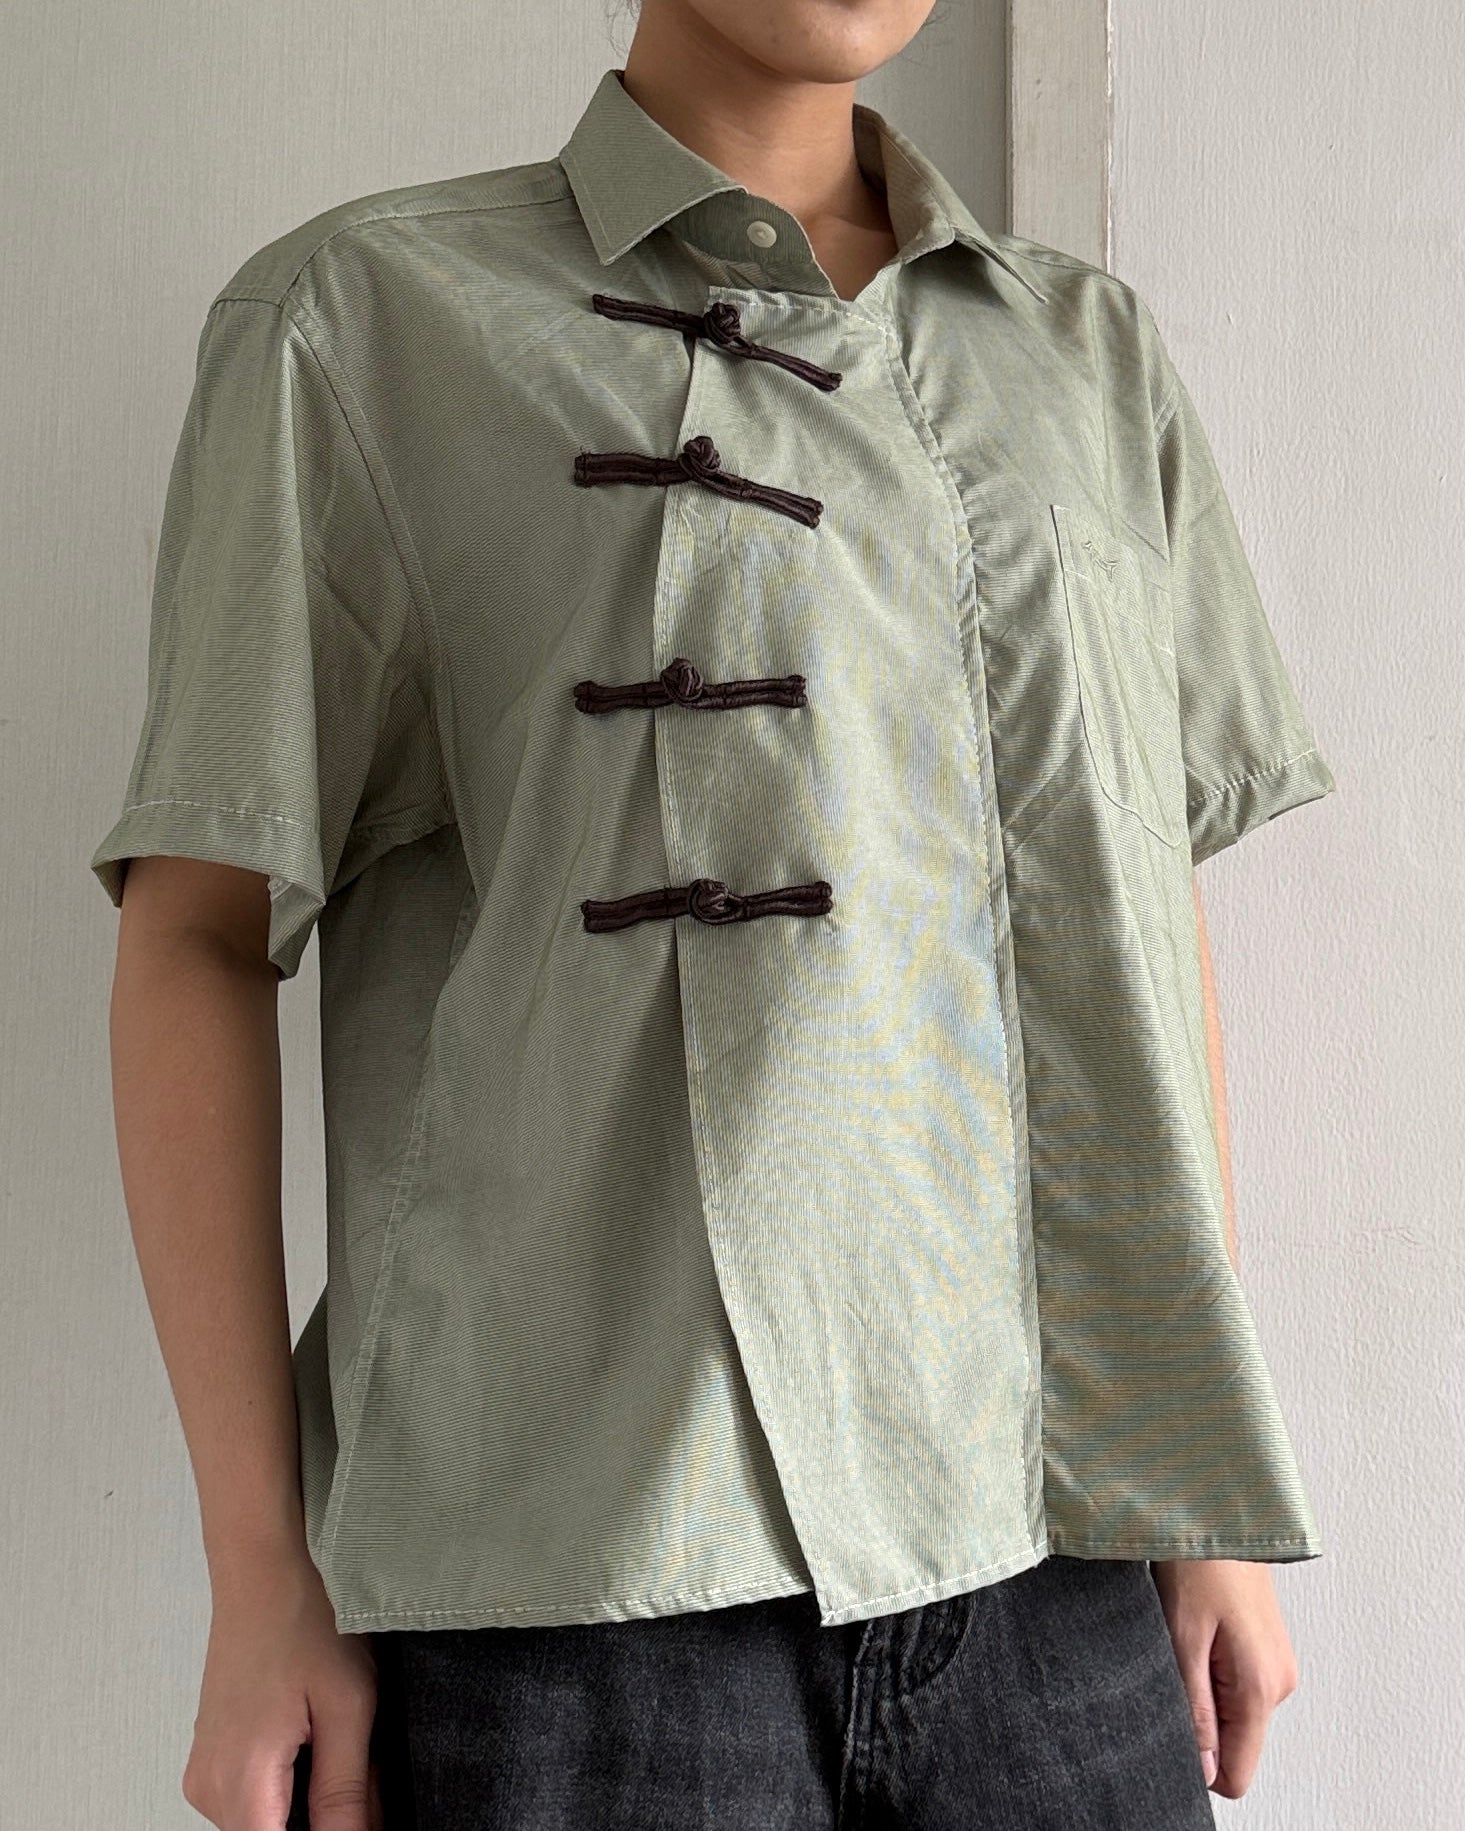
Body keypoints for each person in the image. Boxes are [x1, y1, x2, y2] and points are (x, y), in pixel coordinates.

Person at [90, 1, 1338, 1826]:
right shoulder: (363, 320)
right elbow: (194, 933)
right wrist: (257, 1568)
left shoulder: (1086, 351)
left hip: (1055, 1554)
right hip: (587, 1583)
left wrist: (1197, 1496)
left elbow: (1136, 933)